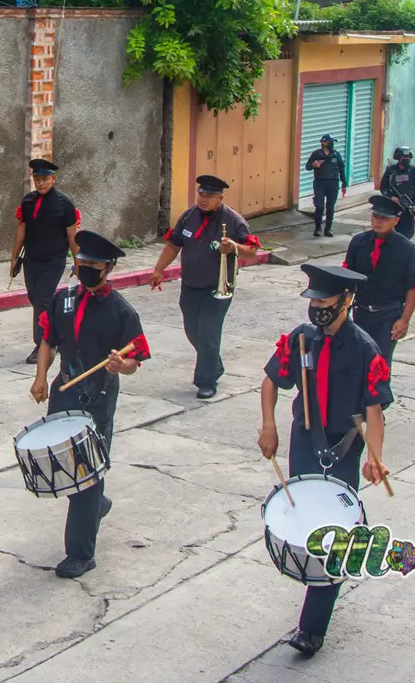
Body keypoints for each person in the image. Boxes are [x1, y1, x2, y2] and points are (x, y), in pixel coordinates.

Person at [259, 263, 392, 656]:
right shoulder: (301, 339)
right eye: (312, 300)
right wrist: (269, 424)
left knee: (332, 532)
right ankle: (318, 586)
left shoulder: (366, 348)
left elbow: (374, 409)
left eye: (324, 301)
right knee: (304, 523)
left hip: (342, 449)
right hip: (303, 443)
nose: (316, 308)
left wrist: (375, 456)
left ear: (346, 301)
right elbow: (271, 380)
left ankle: (311, 628)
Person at [31, 230, 150, 579]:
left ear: (108, 268)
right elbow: (49, 342)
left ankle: (81, 553)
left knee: (87, 474)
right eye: (81, 262)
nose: (85, 269)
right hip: (63, 391)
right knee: (68, 470)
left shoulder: (121, 311)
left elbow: (135, 360)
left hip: (97, 400)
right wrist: (41, 377)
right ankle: (97, 505)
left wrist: (120, 365)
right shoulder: (62, 299)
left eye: (93, 264)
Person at [150, 175, 260, 399]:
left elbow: (252, 250)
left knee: (208, 332)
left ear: (220, 197)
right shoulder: (189, 216)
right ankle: (214, 364)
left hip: (218, 288)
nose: (204, 199)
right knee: (193, 330)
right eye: (201, 194)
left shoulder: (233, 220)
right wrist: (158, 270)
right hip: (190, 285)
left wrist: (233, 247)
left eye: (210, 196)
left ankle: (206, 381)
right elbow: (174, 245)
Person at [343, 196, 415, 369]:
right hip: (361, 313)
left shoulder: (406, 250)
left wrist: (404, 320)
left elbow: (413, 287)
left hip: (387, 316)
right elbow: (348, 280)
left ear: (395, 221)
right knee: (356, 364)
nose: (378, 222)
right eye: (375, 217)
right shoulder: (359, 243)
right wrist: (343, 311)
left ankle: (379, 397)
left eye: (384, 218)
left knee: (379, 367)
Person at [13, 158, 80, 365]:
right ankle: (56, 333)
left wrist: (78, 263)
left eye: (45, 179)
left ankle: (42, 343)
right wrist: (14, 256)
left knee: (42, 299)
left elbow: (72, 235)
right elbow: (22, 229)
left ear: (53, 179)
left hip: (54, 260)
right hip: (32, 259)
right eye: (37, 179)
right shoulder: (27, 201)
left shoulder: (64, 204)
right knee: (34, 298)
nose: (41, 183)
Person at [305, 134, 348, 238]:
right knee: (319, 206)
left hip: (333, 183)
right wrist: (313, 165)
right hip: (320, 182)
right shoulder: (316, 154)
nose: (331, 144)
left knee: (330, 207)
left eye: (332, 142)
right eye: (329, 142)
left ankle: (328, 228)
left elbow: (341, 169)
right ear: (323, 143)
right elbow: (307, 167)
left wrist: (344, 183)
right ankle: (318, 228)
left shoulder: (336, 154)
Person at [378, 146, 415, 239]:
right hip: (393, 207)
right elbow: (383, 188)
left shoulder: (414, 171)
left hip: (408, 207)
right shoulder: (390, 170)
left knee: (407, 233)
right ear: (398, 159)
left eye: (408, 159)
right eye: (404, 159)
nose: (406, 161)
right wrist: (391, 197)